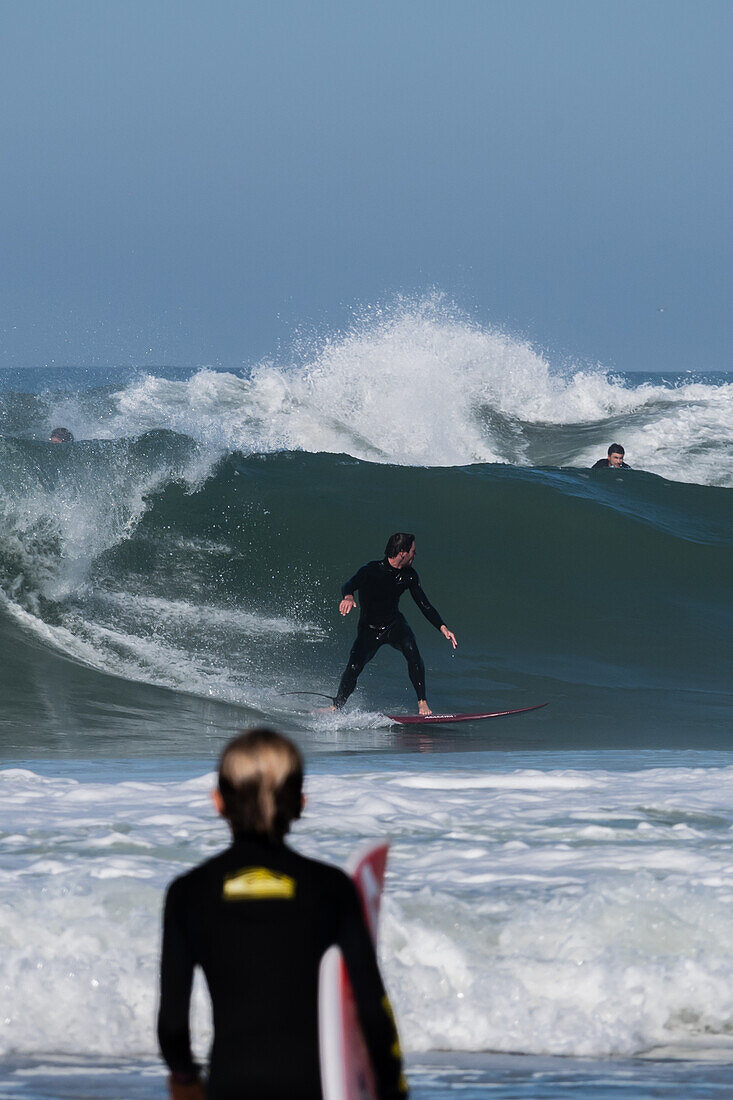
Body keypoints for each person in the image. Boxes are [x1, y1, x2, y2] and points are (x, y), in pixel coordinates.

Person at [158, 727, 407, 1100]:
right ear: (301, 803)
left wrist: (184, 1079)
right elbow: (371, 1009)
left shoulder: (188, 893)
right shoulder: (331, 888)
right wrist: (392, 1089)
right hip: (314, 1087)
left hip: (230, 1086)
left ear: (217, 802)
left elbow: (173, 1024)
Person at [333, 532, 457, 716]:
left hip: (394, 625)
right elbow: (349, 584)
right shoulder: (370, 570)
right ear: (402, 553)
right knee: (353, 667)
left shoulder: (409, 576)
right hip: (370, 629)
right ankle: (337, 706)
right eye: (413, 551)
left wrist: (442, 627)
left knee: (413, 654)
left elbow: (424, 604)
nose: (415, 555)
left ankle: (422, 702)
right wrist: (348, 596)